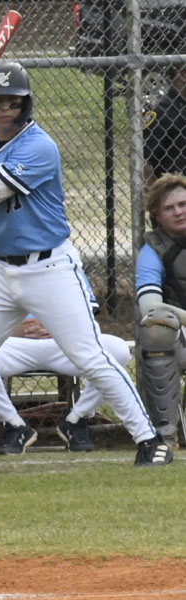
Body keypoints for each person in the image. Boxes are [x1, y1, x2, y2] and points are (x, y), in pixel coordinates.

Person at [0, 61, 171, 475]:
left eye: (13, 102)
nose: (5, 110)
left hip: (49, 267)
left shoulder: (39, 146)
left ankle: (150, 440)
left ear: (25, 104)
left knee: (91, 356)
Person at [0, 262, 132, 454]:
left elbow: (87, 318)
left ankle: (77, 419)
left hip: (63, 342)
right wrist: (16, 328)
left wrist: (55, 326)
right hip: (11, 343)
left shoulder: (66, 263)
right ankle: (13, 423)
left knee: (118, 350)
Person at [134, 173, 186, 447]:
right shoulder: (153, 249)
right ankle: (166, 433)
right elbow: (150, 307)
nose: (178, 212)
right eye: (169, 208)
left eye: (183, 204)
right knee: (157, 326)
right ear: (157, 215)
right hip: (181, 335)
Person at [143, 66, 186, 188]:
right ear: (184, 75)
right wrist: (156, 193)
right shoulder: (163, 111)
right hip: (174, 192)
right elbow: (142, 160)